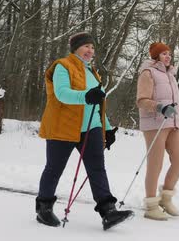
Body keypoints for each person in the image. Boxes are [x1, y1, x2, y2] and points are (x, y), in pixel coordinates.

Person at [35, 32, 133, 230]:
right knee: (54, 168)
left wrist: (106, 128)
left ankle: (108, 212)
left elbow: (97, 104)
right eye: (86, 46)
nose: (90, 51)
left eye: (92, 47)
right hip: (63, 126)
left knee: (97, 168)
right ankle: (43, 209)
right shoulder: (62, 66)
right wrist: (87, 96)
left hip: (91, 127)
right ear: (76, 48)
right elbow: (62, 94)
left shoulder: (92, 73)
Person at [135, 42, 179, 220]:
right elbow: (142, 101)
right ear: (156, 56)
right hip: (154, 124)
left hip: (173, 124)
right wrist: (160, 107)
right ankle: (151, 205)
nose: (168, 56)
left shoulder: (170, 75)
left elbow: (175, 104)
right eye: (164, 54)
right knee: (155, 164)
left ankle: (166, 198)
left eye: (169, 54)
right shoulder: (147, 73)